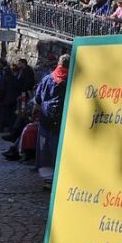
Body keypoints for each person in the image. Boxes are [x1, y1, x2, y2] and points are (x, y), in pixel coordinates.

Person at [33, 53, 70, 190]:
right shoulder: (72, 80)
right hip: (62, 119)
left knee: (45, 149)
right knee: (59, 148)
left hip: (45, 118)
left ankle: (48, 180)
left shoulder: (47, 79)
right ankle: (61, 178)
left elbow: (37, 99)